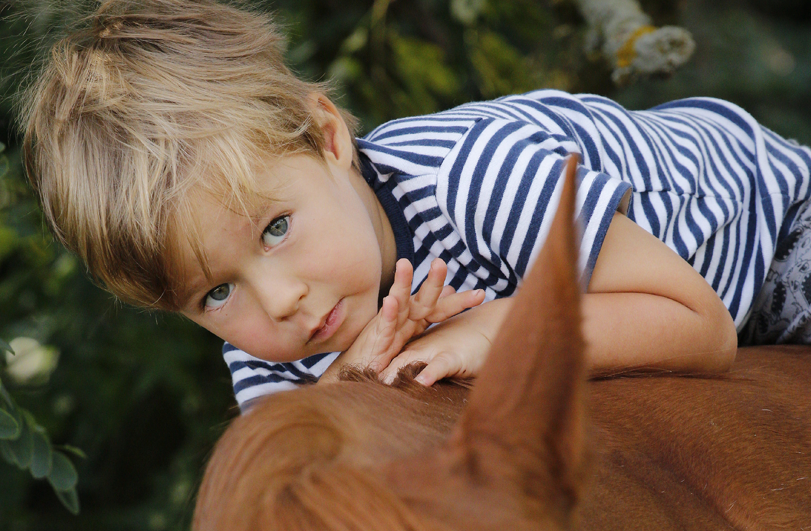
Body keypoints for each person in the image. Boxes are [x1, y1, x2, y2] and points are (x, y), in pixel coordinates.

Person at [20, 0, 810, 412]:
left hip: (766, 230)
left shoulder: (470, 178)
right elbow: (310, 460)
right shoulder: (269, 354)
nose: (281, 300)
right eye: (215, 292)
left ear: (327, 135)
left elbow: (700, 327)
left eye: (277, 228)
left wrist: (487, 333)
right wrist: (347, 391)